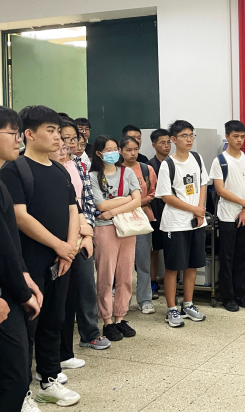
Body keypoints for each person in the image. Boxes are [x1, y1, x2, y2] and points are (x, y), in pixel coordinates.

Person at [0, 105, 81, 407]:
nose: (58, 137)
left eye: (59, 131)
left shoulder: (59, 169)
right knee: (27, 327)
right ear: (29, 134)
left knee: (54, 320)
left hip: (61, 261)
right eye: (51, 130)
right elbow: (20, 216)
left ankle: (49, 378)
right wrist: (60, 246)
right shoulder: (14, 169)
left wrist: (69, 248)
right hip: (30, 260)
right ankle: (21, 392)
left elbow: (73, 210)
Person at [0, 105, 43, 412]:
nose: (19, 140)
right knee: (11, 379)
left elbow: (8, 244)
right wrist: (22, 293)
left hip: (8, 288)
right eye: (12, 133)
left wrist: (25, 277)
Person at [51, 120, 110, 371]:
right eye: (63, 138)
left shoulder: (78, 165)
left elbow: (85, 202)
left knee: (85, 287)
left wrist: (87, 233)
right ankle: (52, 350)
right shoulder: (46, 167)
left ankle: (88, 334)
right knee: (58, 296)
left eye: (73, 139)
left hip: (82, 235)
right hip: (59, 239)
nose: (67, 144)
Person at [155, 120, 208, 327]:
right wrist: (193, 209)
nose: (189, 139)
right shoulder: (168, 164)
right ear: (174, 139)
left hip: (196, 222)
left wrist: (200, 209)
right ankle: (171, 309)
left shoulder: (197, 158)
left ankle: (188, 304)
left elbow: (202, 184)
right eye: (184, 136)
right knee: (173, 267)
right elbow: (166, 196)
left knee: (192, 265)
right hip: (175, 224)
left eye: (191, 135)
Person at [89, 135, 142, 341]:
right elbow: (100, 205)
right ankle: (107, 320)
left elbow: (137, 201)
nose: (113, 153)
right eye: (108, 150)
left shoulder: (127, 172)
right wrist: (126, 199)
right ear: (99, 153)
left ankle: (120, 316)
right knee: (106, 275)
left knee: (126, 274)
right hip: (104, 230)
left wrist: (112, 210)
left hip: (127, 228)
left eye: (115, 149)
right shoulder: (93, 176)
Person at [210, 120, 245, 312]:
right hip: (227, 216)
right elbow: (220, 190)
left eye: (242, 136)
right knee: (227, 257)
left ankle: (240, 293)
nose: (239, 140)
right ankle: (227, 296)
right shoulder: (220, 161)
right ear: (227, 137)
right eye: (235, 136)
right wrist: (244, 203)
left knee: (243, 256)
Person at [119, 135, 157, 314]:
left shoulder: (146, 169)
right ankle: (123, 301)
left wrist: (134, 203)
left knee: (143, 262)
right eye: (128, 150)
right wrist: (129, 204)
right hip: (121, 222)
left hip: (142, 220)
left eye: (135, 149)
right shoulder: (115, 170)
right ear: (120, 151)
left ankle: (145, 299)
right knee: (123, 265)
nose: (133, 153)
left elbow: (153, 193)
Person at [146, 128, 171, 299]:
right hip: (154, 215)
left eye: (169, 142)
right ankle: (153, 282)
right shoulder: (149, 167)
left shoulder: (174, 163)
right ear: (154, 145)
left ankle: (173, 282)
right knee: (153, 251)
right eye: (162, 143)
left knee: (172, 251)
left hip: (172, 214)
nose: (167, 145)